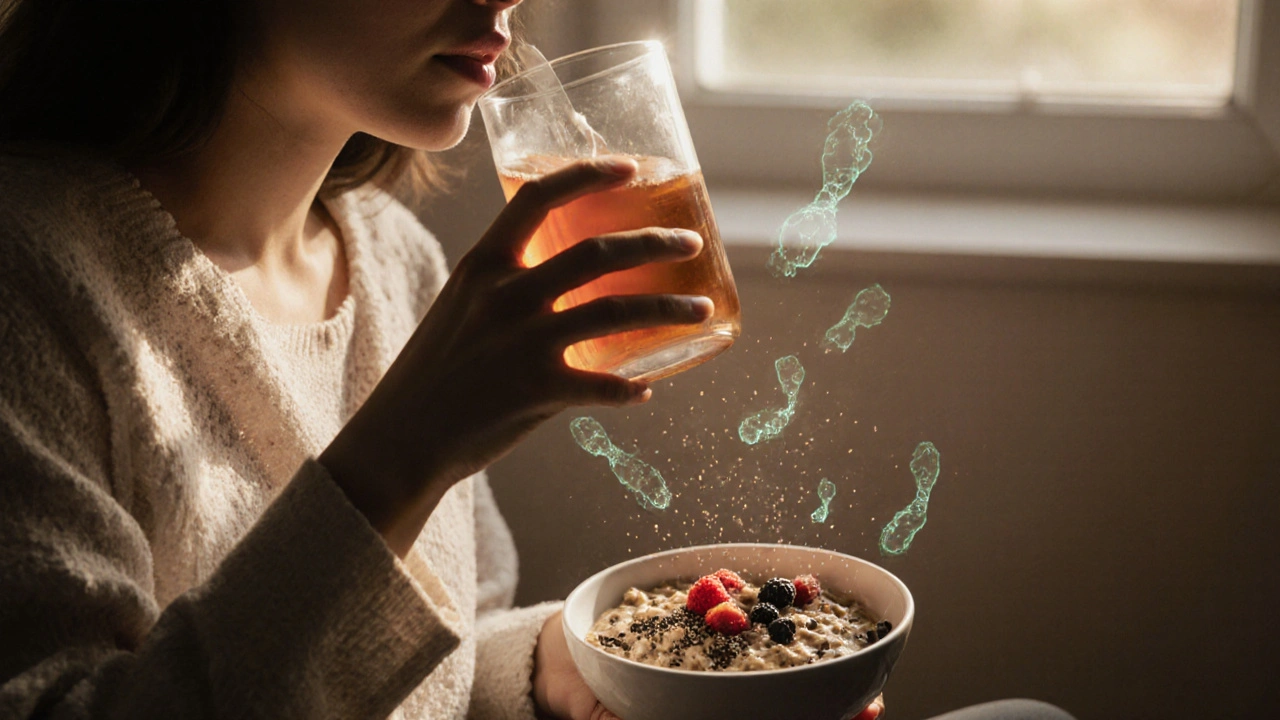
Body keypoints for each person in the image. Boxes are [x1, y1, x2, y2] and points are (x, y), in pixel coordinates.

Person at [0, 1, 1073, 719]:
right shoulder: (31, 280)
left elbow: (426, 663)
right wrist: (398, 453)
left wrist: (572, 673)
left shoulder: (390, 260)